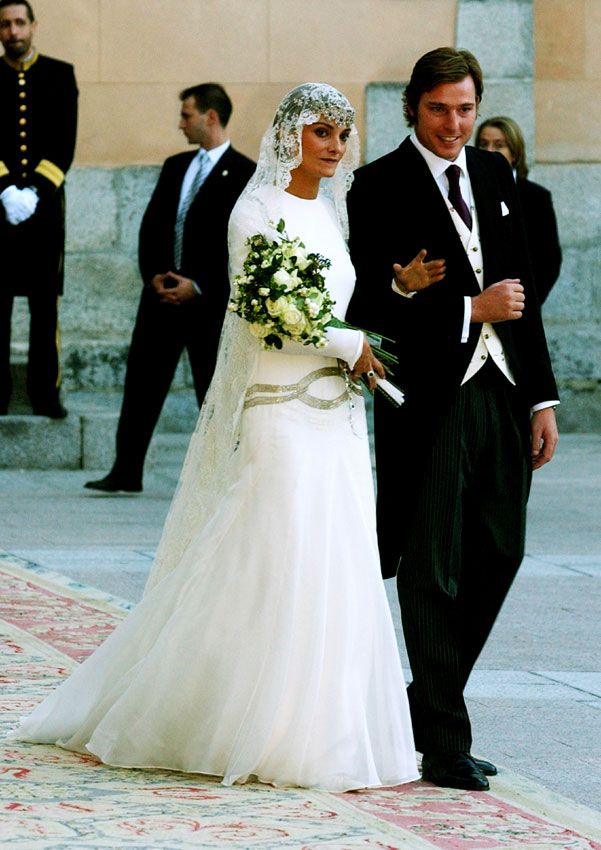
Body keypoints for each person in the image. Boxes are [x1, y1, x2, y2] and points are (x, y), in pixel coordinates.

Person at [8, 83, 438, 792]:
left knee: (335, 558)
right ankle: (236, 718)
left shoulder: (331, 211)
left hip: (334, 416)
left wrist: (391, 299)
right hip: (278, 407)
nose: (332, 147)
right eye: (320, 133)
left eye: (340, 135)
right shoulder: (255, 209)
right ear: (290, 135)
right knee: (275, 555)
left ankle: (325, 726)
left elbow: (336, 304)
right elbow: (265, 315)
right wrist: (344, 343)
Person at [347, 48, 559, 792]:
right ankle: (443, 741)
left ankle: (421, 708)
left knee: (499, 552)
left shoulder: (498, 177)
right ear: (413, 106)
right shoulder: (375, 185)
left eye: (465, 108)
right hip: (430, 399)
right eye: (439, 108)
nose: (453, 123)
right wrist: (464, 307)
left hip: (501, 391)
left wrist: (540, 400)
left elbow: (522, 296)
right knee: (430, 567)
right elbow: (365, 310)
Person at [85, 83, 255, 493]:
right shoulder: (175, 165)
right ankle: (126, 471)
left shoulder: (245, 173)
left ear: (210, 117)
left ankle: (221, 474)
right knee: (141, 385)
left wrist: (199, 285)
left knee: (211, 392)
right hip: (161, 299)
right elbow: (152, 226)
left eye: (187, 115)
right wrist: (155, 276)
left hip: (207, 304)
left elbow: (241, 243)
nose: (181, 124)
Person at [0, 0, 77, 418]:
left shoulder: (60, 75)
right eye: (5, 25)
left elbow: (65, 140)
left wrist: (34, 192)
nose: (13, 32)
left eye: (19, 23)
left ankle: (45, 393)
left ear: (33, 25)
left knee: (44, 304)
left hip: (45, 209)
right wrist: (4, 188)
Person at [475, 115, 562, 304]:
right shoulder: (465, 192)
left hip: (519, 308)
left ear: (514, 152)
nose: (489, 151)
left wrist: (525, 304)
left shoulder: (537, 197)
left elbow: (549, 261)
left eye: (499, 145)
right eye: (483, 144)